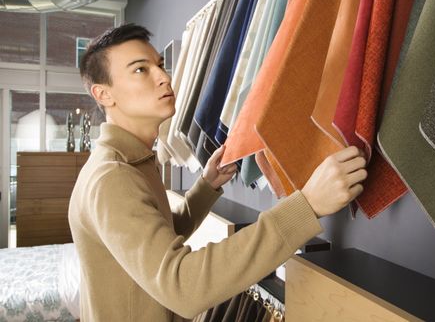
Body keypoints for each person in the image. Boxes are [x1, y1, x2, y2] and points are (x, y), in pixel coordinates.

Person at [69, 23, 368, 321]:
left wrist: (206, 186)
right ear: (104, 94)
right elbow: (182, 286)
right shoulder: (112, 177)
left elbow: (157, 235)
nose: (164, 77)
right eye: (140, 70)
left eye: (159, 65)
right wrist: (307, 206)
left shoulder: (134, 161)